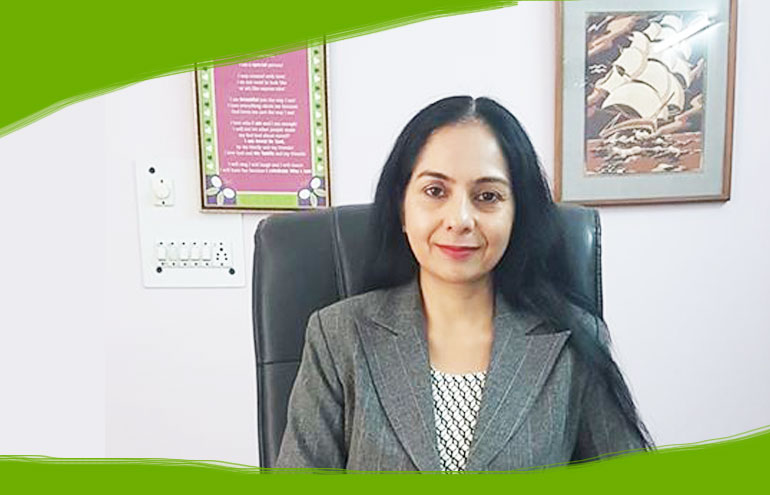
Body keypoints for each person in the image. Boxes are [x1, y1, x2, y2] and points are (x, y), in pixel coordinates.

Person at [275, 96, 654, 471]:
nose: (459, 220)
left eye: (487, 196)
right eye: (435, 191)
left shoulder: (571, 341)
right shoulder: (339, 336)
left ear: (517, 215)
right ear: (401, 208)